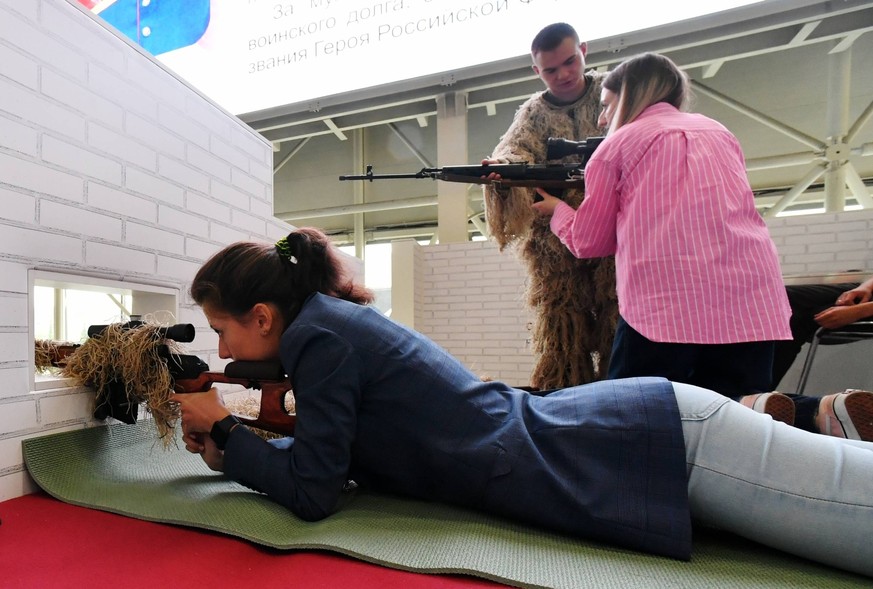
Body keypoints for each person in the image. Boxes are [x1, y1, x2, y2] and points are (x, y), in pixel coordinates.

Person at [171, 227, 873, 578]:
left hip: (656, 442)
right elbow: (330, 457)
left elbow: (314, 491)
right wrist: (234, 441)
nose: (223, 351)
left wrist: (229, 434)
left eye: (223, 330)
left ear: (262, 316)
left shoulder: (320, 341)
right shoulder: (326, 328)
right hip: (645, 434)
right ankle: (814, 412)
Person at [530, 52, 873, 441]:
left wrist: (558, 210)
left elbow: (589, 242)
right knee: (737, 420)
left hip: (665, 305)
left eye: (607, 106)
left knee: (633, 418)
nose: (603, 119)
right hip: (751, 302)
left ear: (630, 96)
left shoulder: (617, 146)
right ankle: (819, 412)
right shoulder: (720, 132)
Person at [480, 22, 618, 390]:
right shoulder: (533, 113)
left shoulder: (615, 92)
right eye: (550, 70)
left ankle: (621, 393)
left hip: (614, 232)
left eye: (570, 62)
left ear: (584, 50)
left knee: (617, 318)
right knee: (562, 326)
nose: (564, 75)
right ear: (536, 71)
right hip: (555, 239)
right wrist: (502, 172)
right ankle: (565, 401)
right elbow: (513, 151)